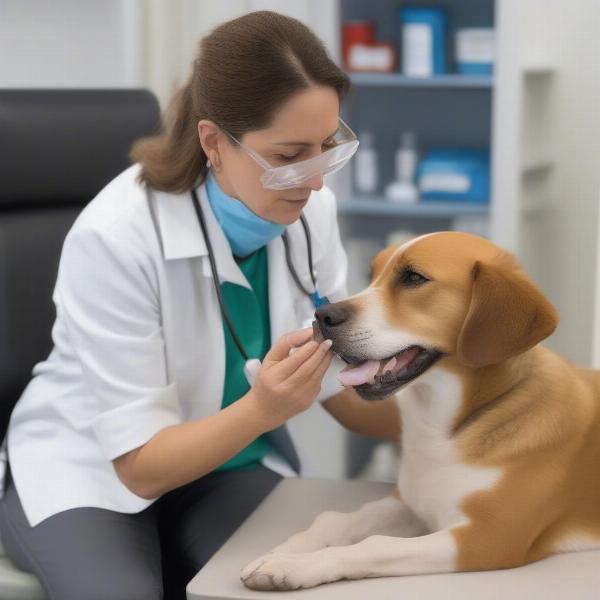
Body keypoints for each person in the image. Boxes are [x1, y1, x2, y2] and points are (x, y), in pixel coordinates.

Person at [0, 10, 399, 600]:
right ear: (213, 142)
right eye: (290, 155)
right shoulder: (115, 236)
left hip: (226, 466)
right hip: (93, 470)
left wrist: (458, 418)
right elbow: (138, 466)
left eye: (326, 147)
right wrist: (265, 409)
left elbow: (342, 387)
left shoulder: (310, 213)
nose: (315, 181)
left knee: (299, 584)